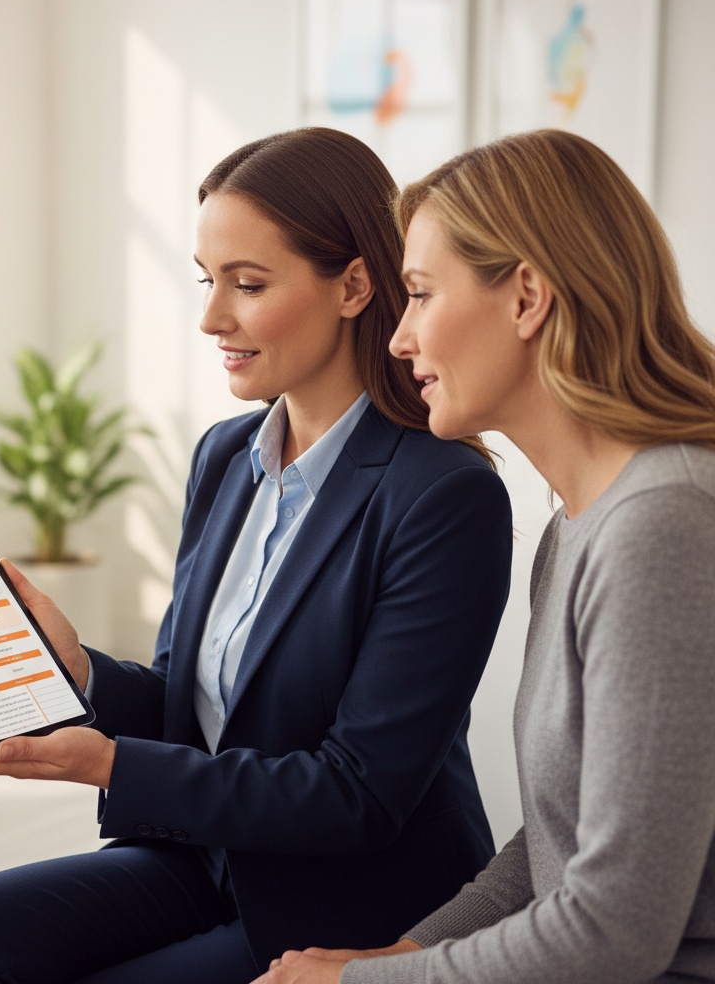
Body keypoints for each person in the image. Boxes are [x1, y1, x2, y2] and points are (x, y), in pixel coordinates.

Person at [0, 127, 513, 984]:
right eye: (207, 279)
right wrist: (77, 673)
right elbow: (193, 711)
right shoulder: (227, 458)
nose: (211, 317)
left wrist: (108, 764)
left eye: (248, 284)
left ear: (355, 286)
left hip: (350, 894)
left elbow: (358, 795)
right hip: (213, 857)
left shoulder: (443, 496)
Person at [254, 128, 715, 984]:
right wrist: (408, 950)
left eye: (421, 295)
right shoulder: (580, 522)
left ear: (527, 297)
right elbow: (557, 839)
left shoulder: (662, 525)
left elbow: (617, 929)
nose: (398, 339)